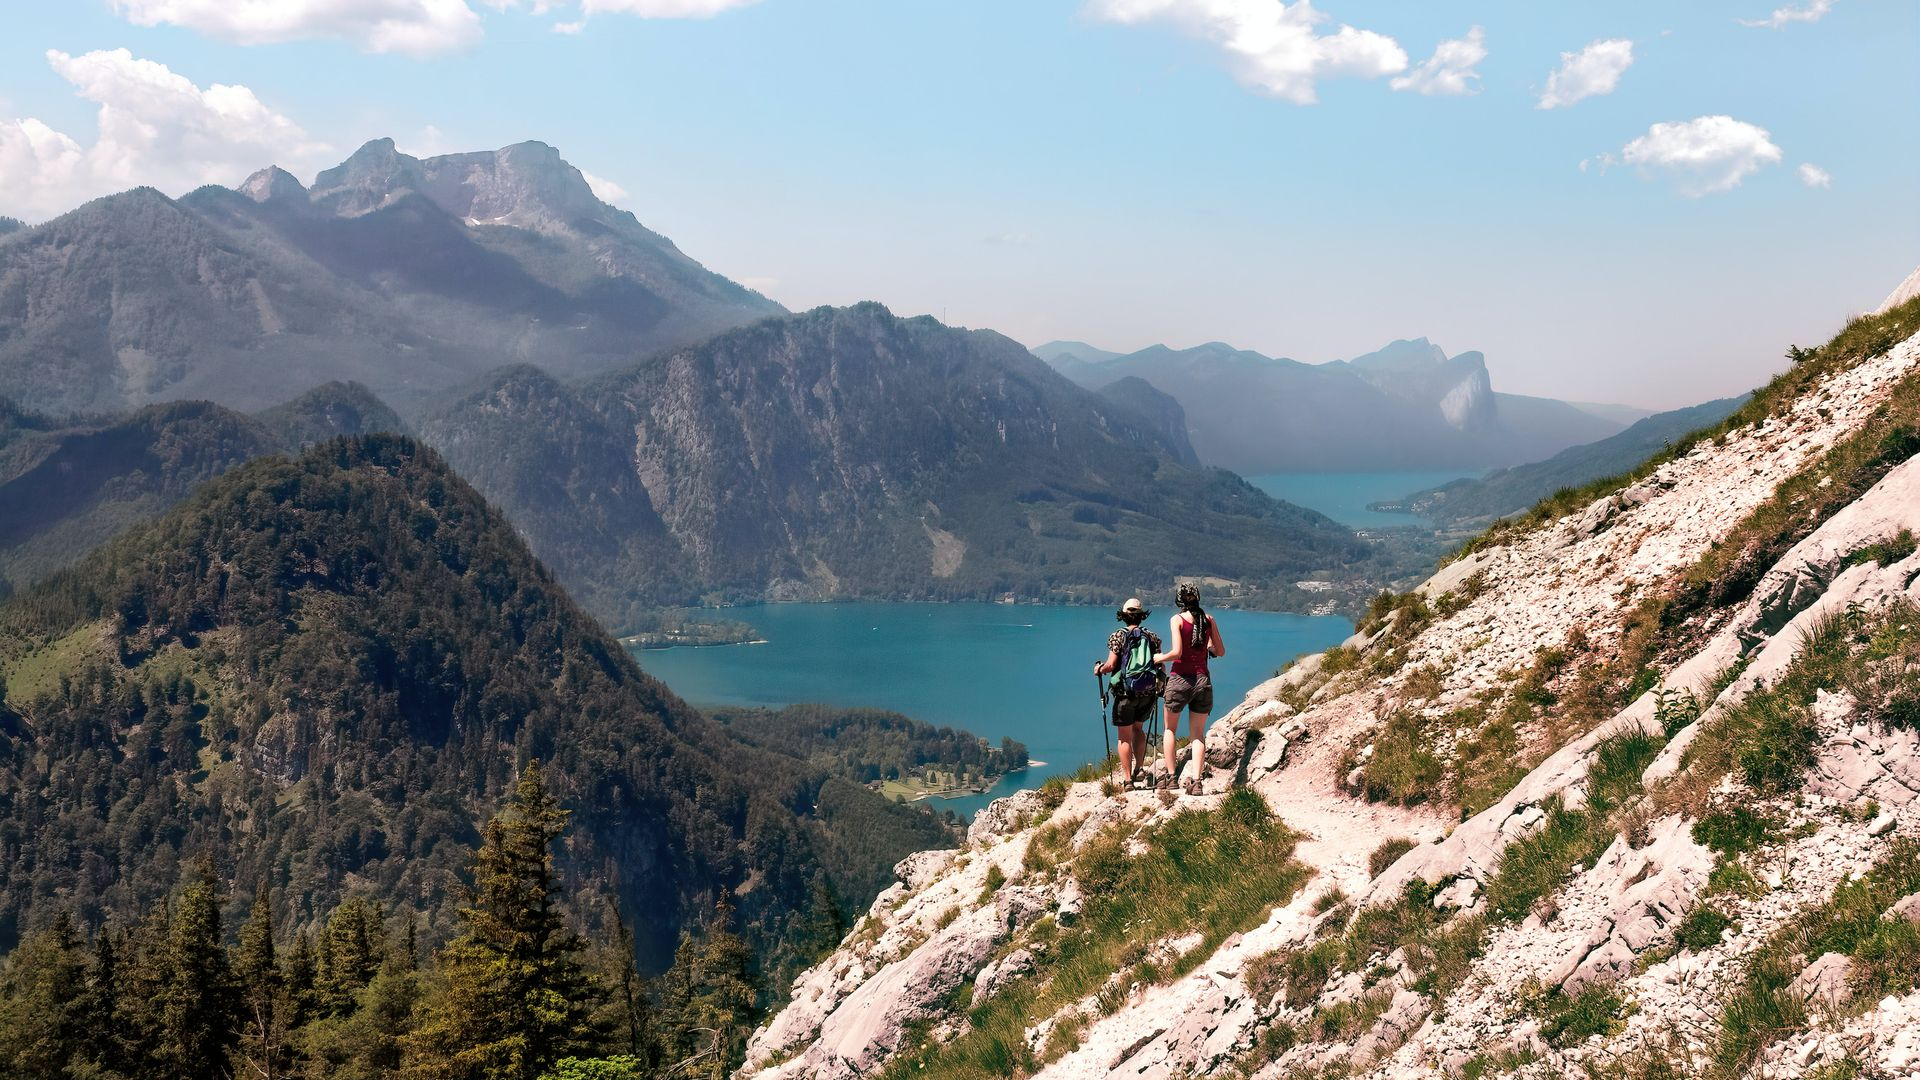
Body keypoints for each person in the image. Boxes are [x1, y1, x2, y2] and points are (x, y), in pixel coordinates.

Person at [1156, 583, 1225, 795]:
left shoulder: (1176, 620)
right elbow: (1220, 651)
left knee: (1170, 729)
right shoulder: (1208, 620)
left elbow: (1177, 653)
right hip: (1202, 681)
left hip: (1179, 681)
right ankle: (1196, 781)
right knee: (1197, 734)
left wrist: (1159, 657)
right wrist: (1208, 648)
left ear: (1179, 600)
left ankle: (1170, 777)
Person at [1094, 597, 1161, 788]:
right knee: (1138, 730)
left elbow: (1111, 665)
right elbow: (1159, 664)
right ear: (1141, 616)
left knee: (1124, 736)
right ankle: (1139, 768)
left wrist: (1099, 669)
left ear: (1123, 616)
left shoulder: (1118, 636)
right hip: (1147, 692)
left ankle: (1127, 779)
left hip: (1125, 693)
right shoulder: (1152, 637)